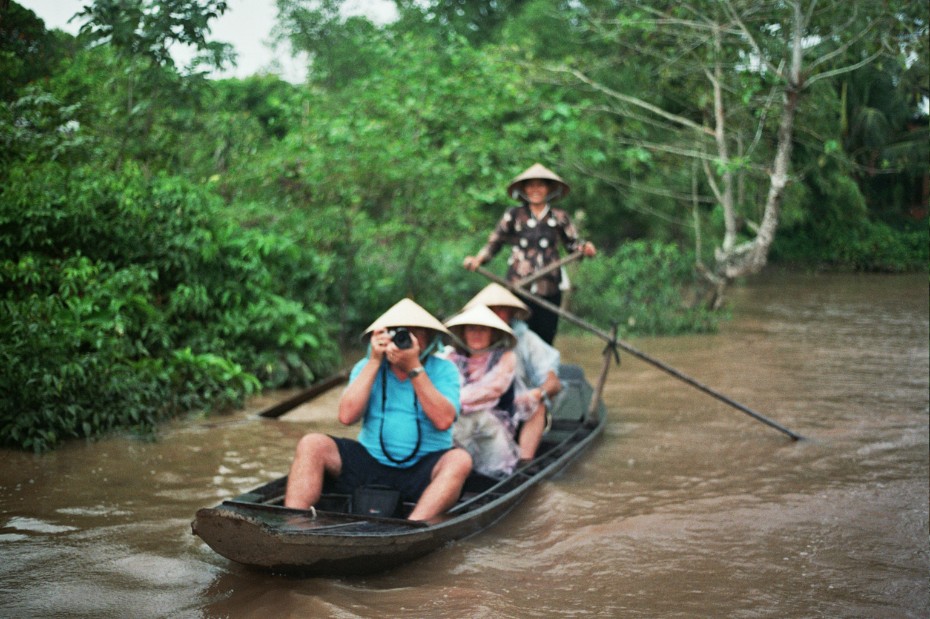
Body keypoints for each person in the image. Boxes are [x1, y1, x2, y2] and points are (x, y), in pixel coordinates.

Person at [284, 298, 473, 522]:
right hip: (371, 463)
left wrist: (414, 368)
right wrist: (374, 362)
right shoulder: (367, 367)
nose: (407, 339)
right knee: (312, 443)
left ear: (430, 338)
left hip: (424, 469)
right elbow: (346, 417)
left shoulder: (444, 370)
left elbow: (443, 421)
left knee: (460, 460)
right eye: (400, 332)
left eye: (417, 333)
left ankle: (413, 528)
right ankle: (294, 522)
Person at [463, 163, 597, 344]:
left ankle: (544, 371)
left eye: (540, 185)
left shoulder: (559, 216)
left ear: (548, 189)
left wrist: (585, 248)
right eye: (531, 185)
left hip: (549, 287)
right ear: (524, 189)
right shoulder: (514, 214)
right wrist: (478, 259)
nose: (535, 190)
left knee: (545, 337)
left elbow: (574, 244)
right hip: (518, 286)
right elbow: (495, 242)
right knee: (515, 336)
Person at [464, 283, 561, 462]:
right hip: (474, 406)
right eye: (490, 309)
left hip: (514, 405)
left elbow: (553, 382)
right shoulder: (469, 338)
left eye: (501, 309)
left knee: (537, 405)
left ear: (511, 313)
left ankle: (524, 463)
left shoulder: (525, 340)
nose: (496, 315)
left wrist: (537, 393)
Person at [444, 304, 526, 478]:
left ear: (492, 334)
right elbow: (445, 389)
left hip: (492, 422)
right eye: (472, 329)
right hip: (455, 418)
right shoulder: (450, 357)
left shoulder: (506, 357)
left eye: (483, 330)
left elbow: (492, 390)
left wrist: (453, 403)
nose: (477, 334)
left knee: (478, 419)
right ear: (463, 332)